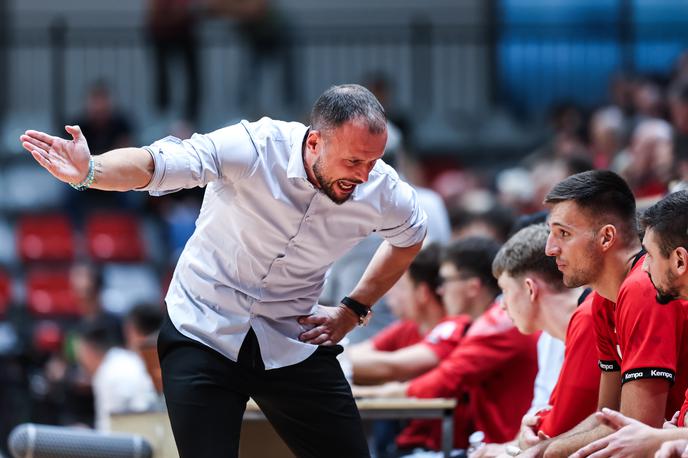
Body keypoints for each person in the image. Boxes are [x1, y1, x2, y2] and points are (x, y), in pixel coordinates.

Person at [20, 84, 427, 458]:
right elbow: (155, 164)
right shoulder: (254, 146)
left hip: (291, 335)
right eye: (354, 160)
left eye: (373, 161)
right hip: (203, 329)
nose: (363, 176)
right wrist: (91, 170)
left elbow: (410, 237)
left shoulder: (382, 189)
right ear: (316, 142)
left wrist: (353, 308)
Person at [536, 170, 688, 457]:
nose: (550, 249)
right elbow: (607, 415)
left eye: (563, 234)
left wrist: (547, 451)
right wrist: (540, 449)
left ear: (606, 237)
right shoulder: (603, 300)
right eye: (550, 234)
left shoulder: (642, 288)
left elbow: (636, 430)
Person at [354, 237, 538, 453]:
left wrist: (360, 392)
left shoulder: (495, 328)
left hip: (504, 449)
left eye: (445, 281)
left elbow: (438, 383)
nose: (439, 290)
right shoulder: (482, 323)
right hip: (499, 446)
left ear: (472, 287)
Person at [474, 223, 599, 457]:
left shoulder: (591, 318)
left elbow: (557, 427)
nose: (501, 304)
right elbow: (539, 421)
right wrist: (515, 446)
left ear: (530, 289)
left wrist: (511, 450)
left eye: (505, 291)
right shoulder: (547, 338)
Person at [349, 238, 496, 386]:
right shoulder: (408, 327)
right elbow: (361, 353)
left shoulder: (457, 327)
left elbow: (392, 367)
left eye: (400, 286)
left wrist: (332, 360)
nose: (389, 294)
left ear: (422, 292)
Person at [74, 321, 158, 431]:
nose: (80, 361)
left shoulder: (107, 374)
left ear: (88, 350)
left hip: (144, 433)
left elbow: (108, 430)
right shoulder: (119, 358)